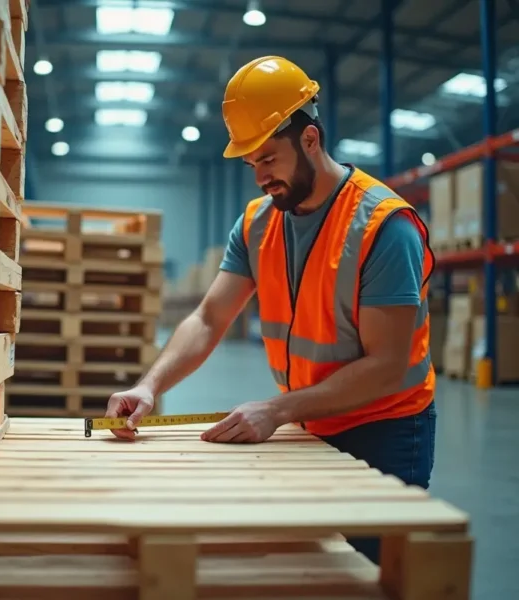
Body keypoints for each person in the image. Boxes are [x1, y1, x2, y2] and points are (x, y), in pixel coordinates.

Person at [103, 56, 437, 565]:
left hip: (385, 428)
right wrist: (150, 386)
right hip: (310, 423)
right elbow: (209, 318)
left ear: (310, 139)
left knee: (370, 573)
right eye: (250, 164)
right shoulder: (259, 222)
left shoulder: (383, 226)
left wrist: (278, 410)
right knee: (317, 569)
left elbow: (388, 366)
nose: (261, 177)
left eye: (268, 159)